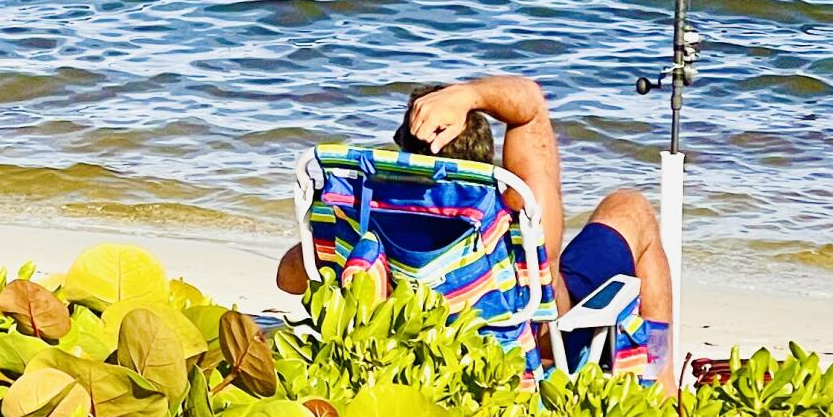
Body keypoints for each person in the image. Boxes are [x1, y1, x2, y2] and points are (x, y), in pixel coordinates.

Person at [276, 73, 674, 386]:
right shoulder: (514, 209)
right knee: (630, 208)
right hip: (531, 344)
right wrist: (469, 96)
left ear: (405, 154)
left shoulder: (366, 219)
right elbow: (530, 104)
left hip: (413, 345)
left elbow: (289, 279)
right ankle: (663, 385)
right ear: (486, 162)